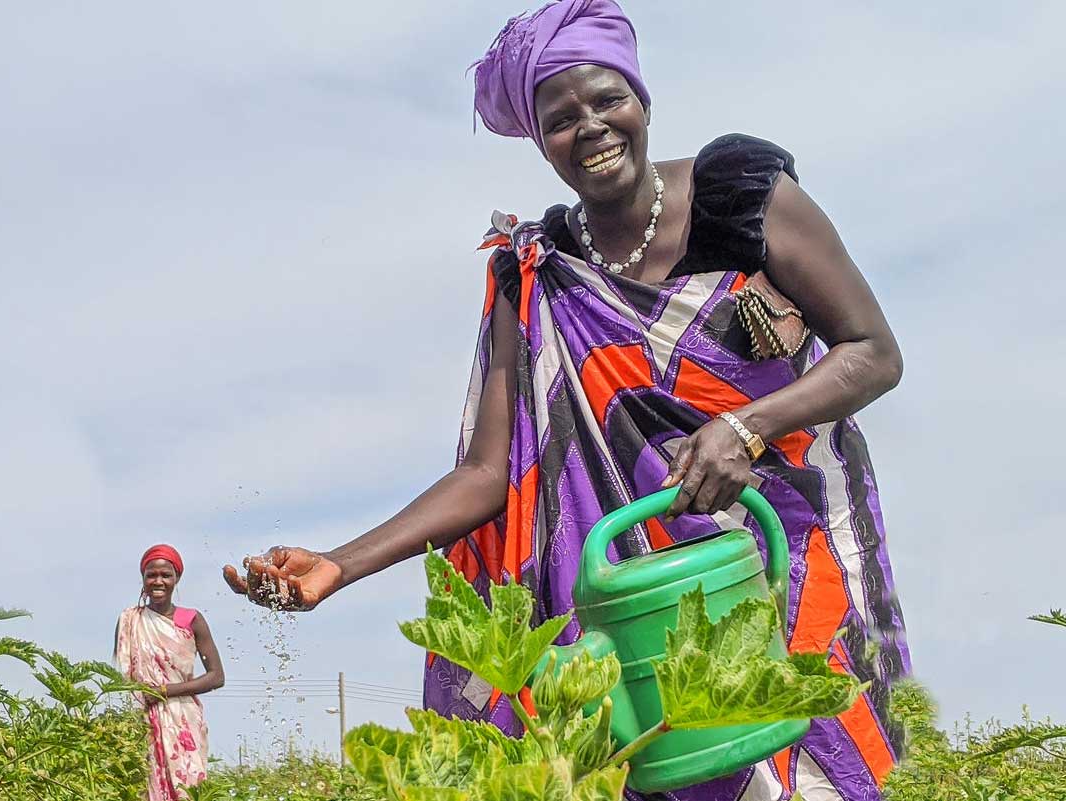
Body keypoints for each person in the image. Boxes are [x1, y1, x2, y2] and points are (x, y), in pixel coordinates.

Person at [224, 1, 908, 798]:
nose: (590, 126)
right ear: (539, 140)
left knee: (806, 768)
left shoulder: (741, 196)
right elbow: (488, 475)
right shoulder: (538, 273)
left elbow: (874, 353)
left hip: (779, 564)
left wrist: (745, 426)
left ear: (642, 100)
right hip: (634, 613)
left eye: (607, 99)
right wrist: (340, 564)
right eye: (561, 117)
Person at [116, 544, 224, 800]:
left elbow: (216, 676)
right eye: (151, 575)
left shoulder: (191, 619)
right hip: (141, 718)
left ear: (176, 579)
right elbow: (121, 677)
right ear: (143, 578)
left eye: (166, 575)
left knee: (188, 790)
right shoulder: (130, 620)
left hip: (183, 719)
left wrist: (164, 691)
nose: (158, 581)